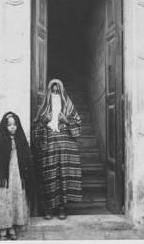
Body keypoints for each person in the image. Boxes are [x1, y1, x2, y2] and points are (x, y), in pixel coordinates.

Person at [31, 79, 82, 220]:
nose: (55, 94)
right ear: (48, 93)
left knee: (64, 176)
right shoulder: (43, 108)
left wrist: (66, 121)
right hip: (48, 145)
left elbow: (78, 125)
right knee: (49, 176)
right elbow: (34, 127)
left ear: (62, 92)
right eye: (52, 91)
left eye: (57, 91)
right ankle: (48, 209)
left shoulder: (69, 107)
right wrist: (44, 120)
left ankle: (62, 209)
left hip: (66, 145)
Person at [0, 112, 35, 240]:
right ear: (4, 126)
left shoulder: (21, 139)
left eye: (15, 124)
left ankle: (12, 228)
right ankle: (2, 230)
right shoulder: (0, 140)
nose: (12, 127)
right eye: (9, 125)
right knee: (3, 200)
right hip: (3, 177)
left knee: (15, 199)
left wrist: (25, 173)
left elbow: (27, 158)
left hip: (17, 176)